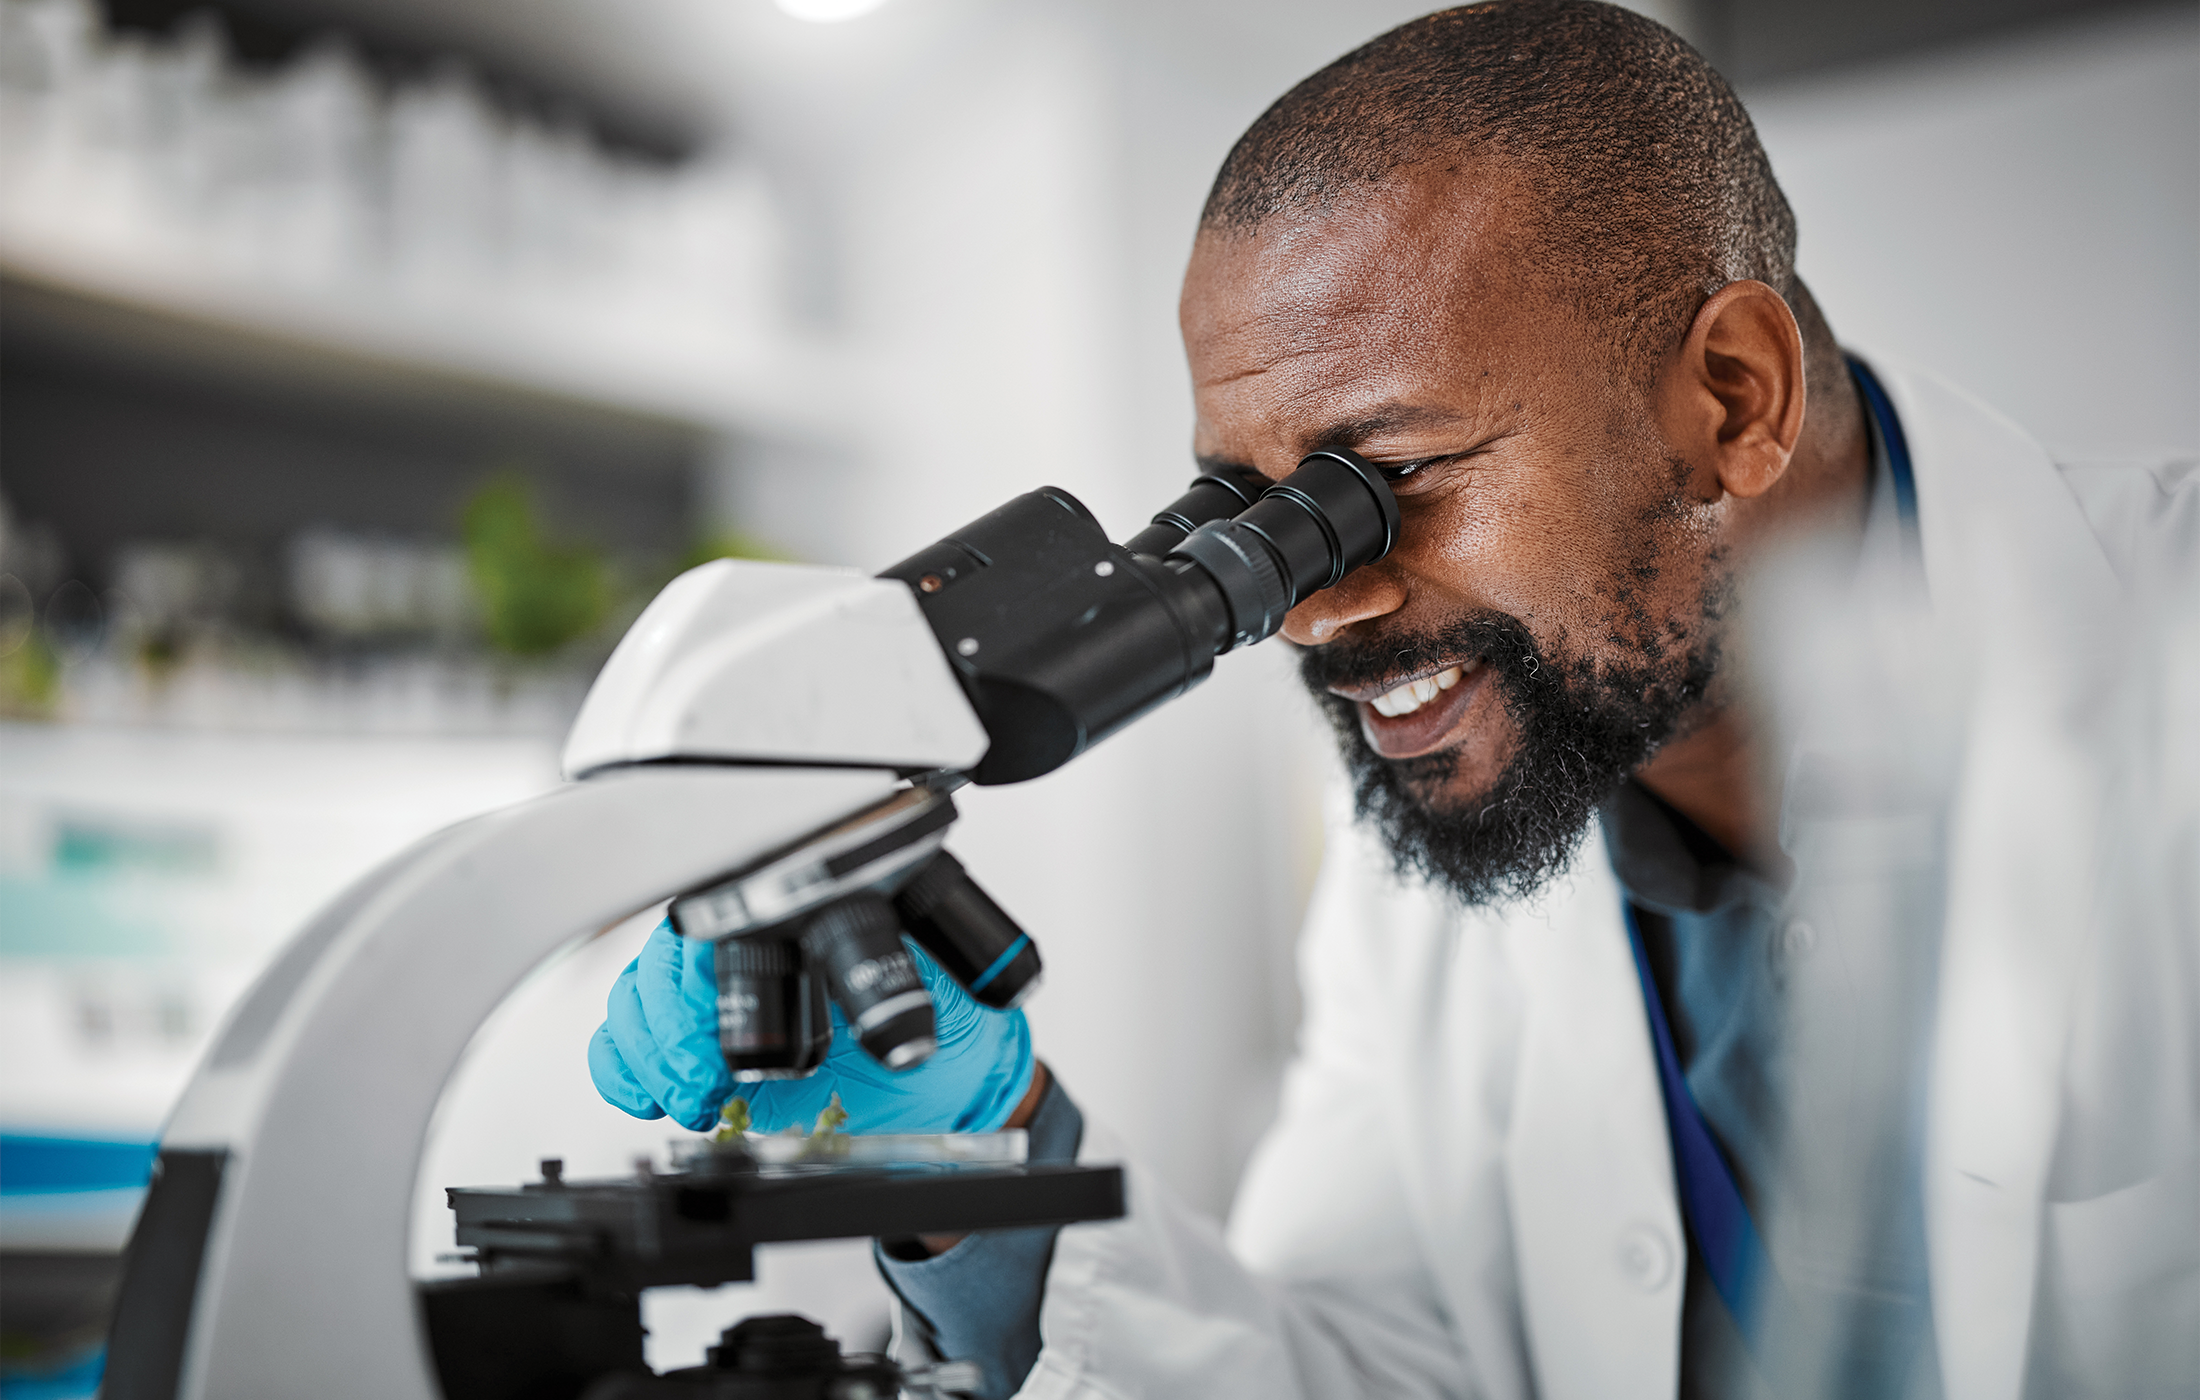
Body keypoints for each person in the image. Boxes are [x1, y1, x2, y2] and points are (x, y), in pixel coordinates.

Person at [589, 4, 2199, 1397]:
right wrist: (974, 1157)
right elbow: (1355, 1366)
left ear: (1732, 399)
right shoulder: (1435, 828)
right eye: (1250, 515)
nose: (1321, 608)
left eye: (1399, 473)